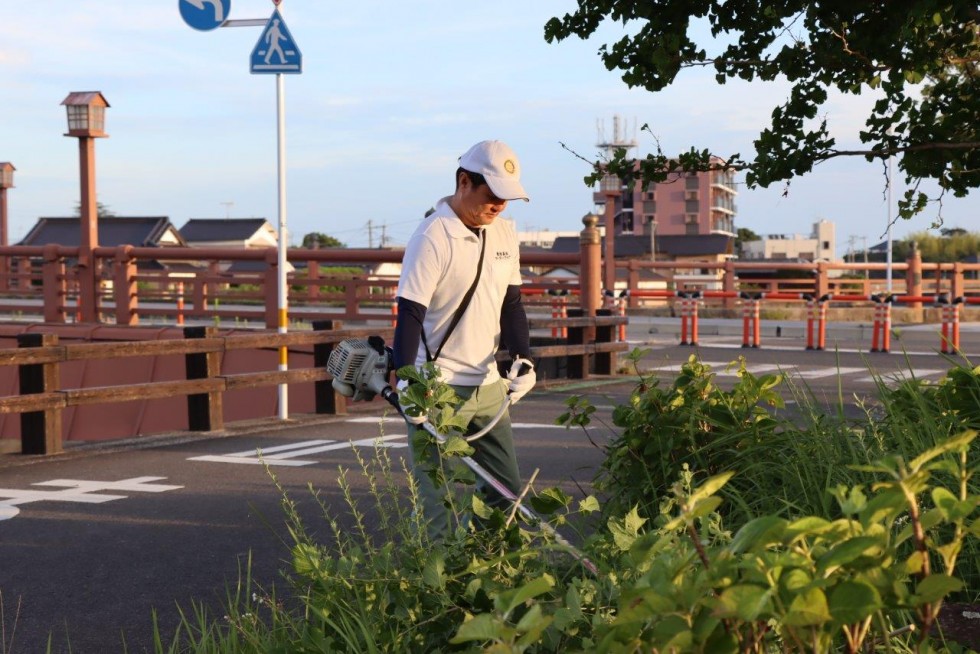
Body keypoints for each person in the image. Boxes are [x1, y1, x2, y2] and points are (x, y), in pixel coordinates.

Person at [392, 139, 537, 539]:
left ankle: (481, 570)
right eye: (492, 196)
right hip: (434, 387)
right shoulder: (433, 236)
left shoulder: (504, 233)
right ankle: (437, 590)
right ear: (463, 182)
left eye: (507, 199)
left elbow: (512, 304)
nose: (499, 206)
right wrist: (407, 379)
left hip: (488, 385)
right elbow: (409, 314)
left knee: (504, 494)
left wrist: (523, 360)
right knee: (437, 502)